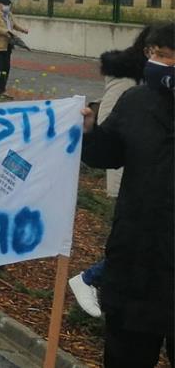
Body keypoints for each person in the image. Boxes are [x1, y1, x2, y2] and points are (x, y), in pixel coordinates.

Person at [78, 22, 173, 368]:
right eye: (156, 55)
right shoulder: (135, 101)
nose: (161, 63)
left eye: (169, 56)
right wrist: (89, 134)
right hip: (137, 263)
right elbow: (108, 155)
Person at [68, 25, 153, 318]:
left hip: (154, 175)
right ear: (150, 50)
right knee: (136, 241)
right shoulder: (128, 79)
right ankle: (92, 279)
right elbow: (109, 126)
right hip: (132, 174)